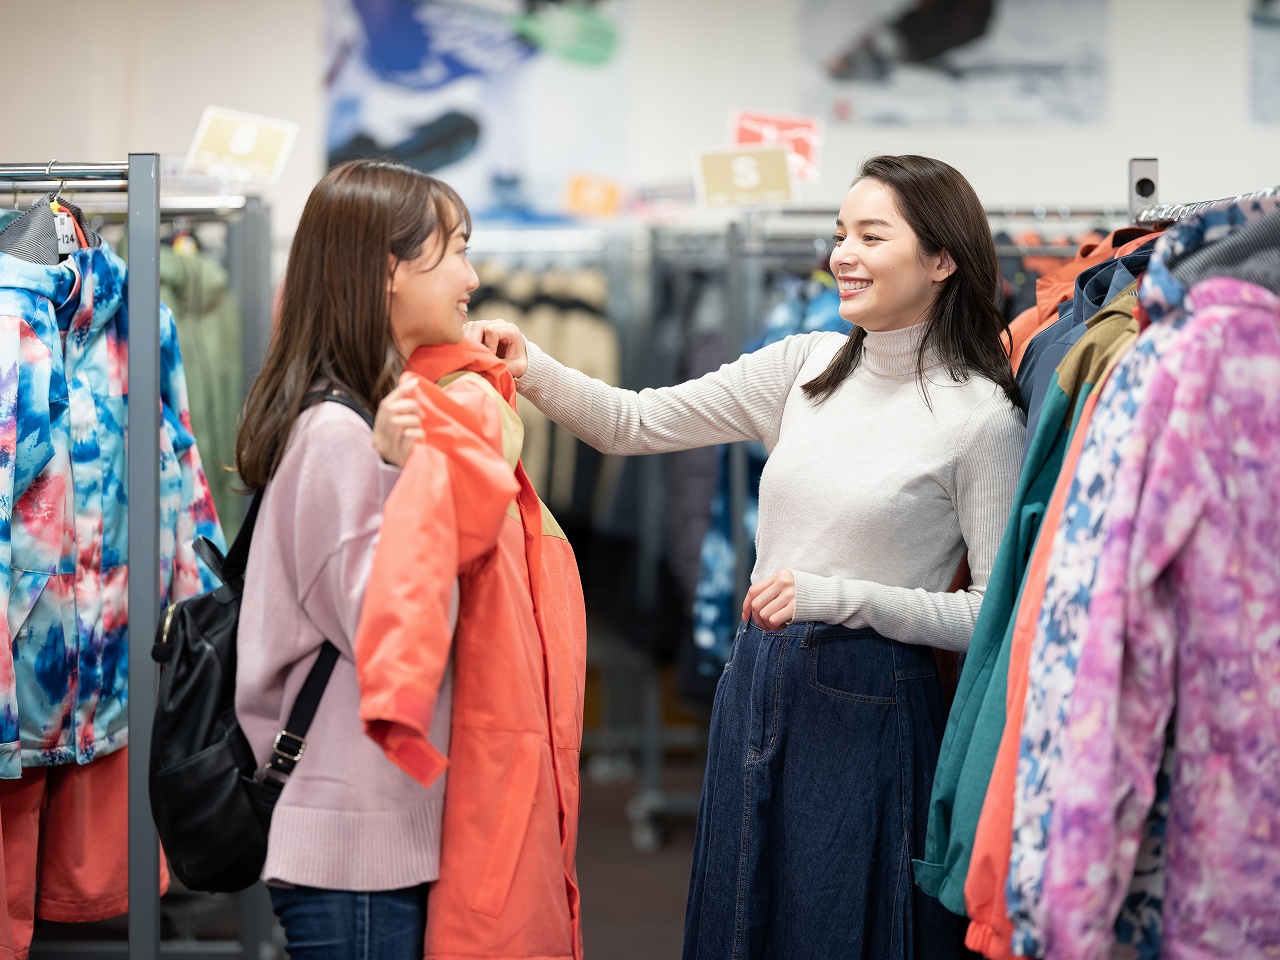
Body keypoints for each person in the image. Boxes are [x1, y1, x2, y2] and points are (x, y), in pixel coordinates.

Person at [466, 154, 1026, 959]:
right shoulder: (803, 365)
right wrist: (533, 365)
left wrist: (838, 596)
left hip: (872, 705)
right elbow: (634, 424)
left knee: (835, 931)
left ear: (943, 260)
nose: (844, 254)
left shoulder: (981, 419)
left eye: (872, 235)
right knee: (742, 924)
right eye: (841, 234)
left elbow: (990, 618)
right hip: (758, 680)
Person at [233, 158, 478, 960]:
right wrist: (406, 477)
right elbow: (392, 628)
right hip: (351, 841)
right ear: (389, 271)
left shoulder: (352, 422)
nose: (471, 277)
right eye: (456, 251)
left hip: (361, 825)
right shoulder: (342, 437)